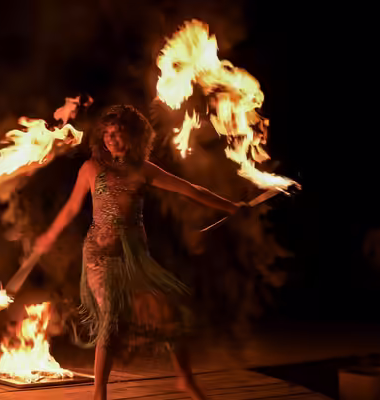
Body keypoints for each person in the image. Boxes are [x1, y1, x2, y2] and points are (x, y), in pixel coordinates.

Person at [34, 105, 241, 400]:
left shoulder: (144, 170)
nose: (111, 139)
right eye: (107, 133)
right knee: (111, 318)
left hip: (135, 257)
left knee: (168, 313)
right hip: (100, 254)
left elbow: (191, 189)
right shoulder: (91, 168)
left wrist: (231, 207)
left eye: (118, 133)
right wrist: (49, 235)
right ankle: (99, 393)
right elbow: (71, 208)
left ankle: (185, 380)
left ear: (133, 137)